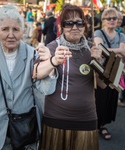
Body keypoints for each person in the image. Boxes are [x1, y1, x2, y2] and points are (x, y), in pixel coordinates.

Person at [0, 4, 60, 150]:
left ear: (23, 31)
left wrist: (51, 65)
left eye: (15, 29)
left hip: (25, 128)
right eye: (5, 29)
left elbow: (46, 89)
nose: (10, 34)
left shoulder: (32, 54)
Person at [38, 4, 106, 150]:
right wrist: (53, 60)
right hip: (56, 120)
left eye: (79, 22)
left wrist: (98, 63)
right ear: (61, 27)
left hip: (86, 120)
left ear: (84, 26)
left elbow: (102, 84)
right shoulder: (52, 47)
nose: (75, 27)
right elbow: (36, 73)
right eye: (69, 23)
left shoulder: (92, 49)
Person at [94, 8, 125, 140]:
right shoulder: (98, 32)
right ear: (104, 21)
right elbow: (99, 51)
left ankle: (102, 125)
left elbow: (124, 52)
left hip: (116, 70)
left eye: (114, 18)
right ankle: (95, 124)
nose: (112, 21)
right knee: (99, 98)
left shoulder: (121, 35)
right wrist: (117, 50)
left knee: (111, 99)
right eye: (109, 18)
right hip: (101, 70)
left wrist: (108, 50)